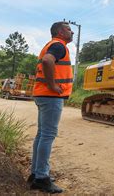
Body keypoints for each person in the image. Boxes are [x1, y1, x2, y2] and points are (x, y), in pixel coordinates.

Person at [28, 21, 74, 193]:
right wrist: (53, 85)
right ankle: (41, 178)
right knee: (47, 135)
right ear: (61, 32)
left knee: (41, 135)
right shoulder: (59, 46)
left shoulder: (50, 45)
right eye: (69, 30)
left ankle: (36, 173)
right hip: (51, 96)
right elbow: (48, 61)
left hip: (42, 95)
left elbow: (47, 61)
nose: (72, 33)